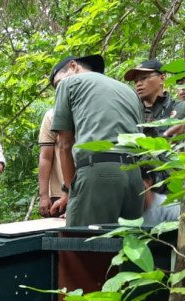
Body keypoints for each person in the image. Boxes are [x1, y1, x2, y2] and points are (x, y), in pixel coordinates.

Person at [49, 54, 145, 226]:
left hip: (99, 173)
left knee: (83, 246)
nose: (58, 88)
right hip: (134, 177)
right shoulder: (129, 91)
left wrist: (72, 193)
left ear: (73, 66)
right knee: (128, 247)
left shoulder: (69, 84)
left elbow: (65, 145)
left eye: (57, 83)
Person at [123, 59, 185, 138]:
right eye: (135, 81)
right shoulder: (131, 111)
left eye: (144, 78)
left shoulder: (181, 108)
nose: (138, 84)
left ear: (162, 78)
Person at [37, 109, 65, 217]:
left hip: (87, 191)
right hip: (59, 192)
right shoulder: (52, 115)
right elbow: (45, 157)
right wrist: (44, 196)